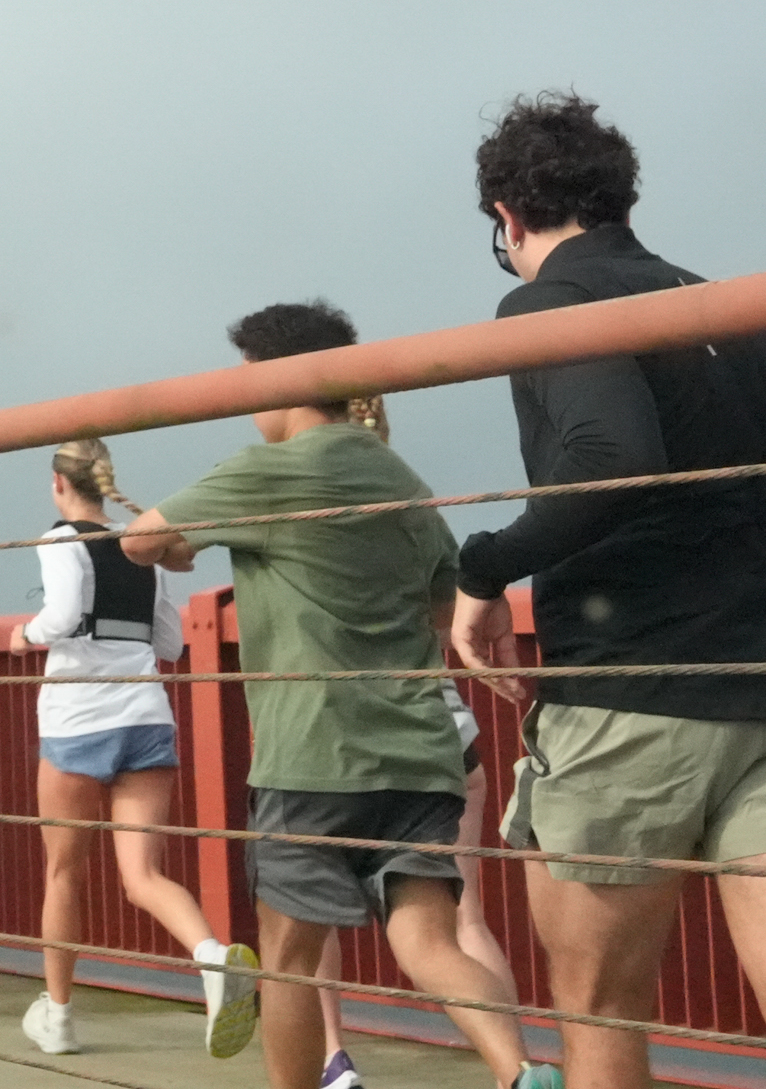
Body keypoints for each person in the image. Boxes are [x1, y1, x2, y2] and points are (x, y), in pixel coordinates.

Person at [450, 94, 766, 1089]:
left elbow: (615, 456)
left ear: (507, 215)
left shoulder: (546, 303)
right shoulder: (735, 315)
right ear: (621, 196)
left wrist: (482, 569)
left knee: (605, 1014)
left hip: (632, 698)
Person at [124, 302, 553, 1089]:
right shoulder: (400, 479)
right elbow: (439, 605)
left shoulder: (269, 470)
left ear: (280, 381)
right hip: (420, 753)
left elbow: (140, 541)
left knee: (288, 960)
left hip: (311, 756)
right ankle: (521, 1072)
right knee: (433, 943)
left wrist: (199, 543)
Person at [9, 440, 247, 1058]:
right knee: (143, 874)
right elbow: (169, 642)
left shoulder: (60, 539)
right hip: (146, 719)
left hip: (78, 722)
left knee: (65, 873)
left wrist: (23, 634)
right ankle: (213, 958)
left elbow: (59, 617)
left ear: (58, 484)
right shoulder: (141, 547)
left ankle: (58, 1018)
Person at [316, 403, 518, 1089]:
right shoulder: (419, 515)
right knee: (467, 923)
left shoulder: (315, 522)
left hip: (354, 749)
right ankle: (514, 1070)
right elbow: (450, 613)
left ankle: (333, 1059)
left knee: (310, 914)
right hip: (447, 736)